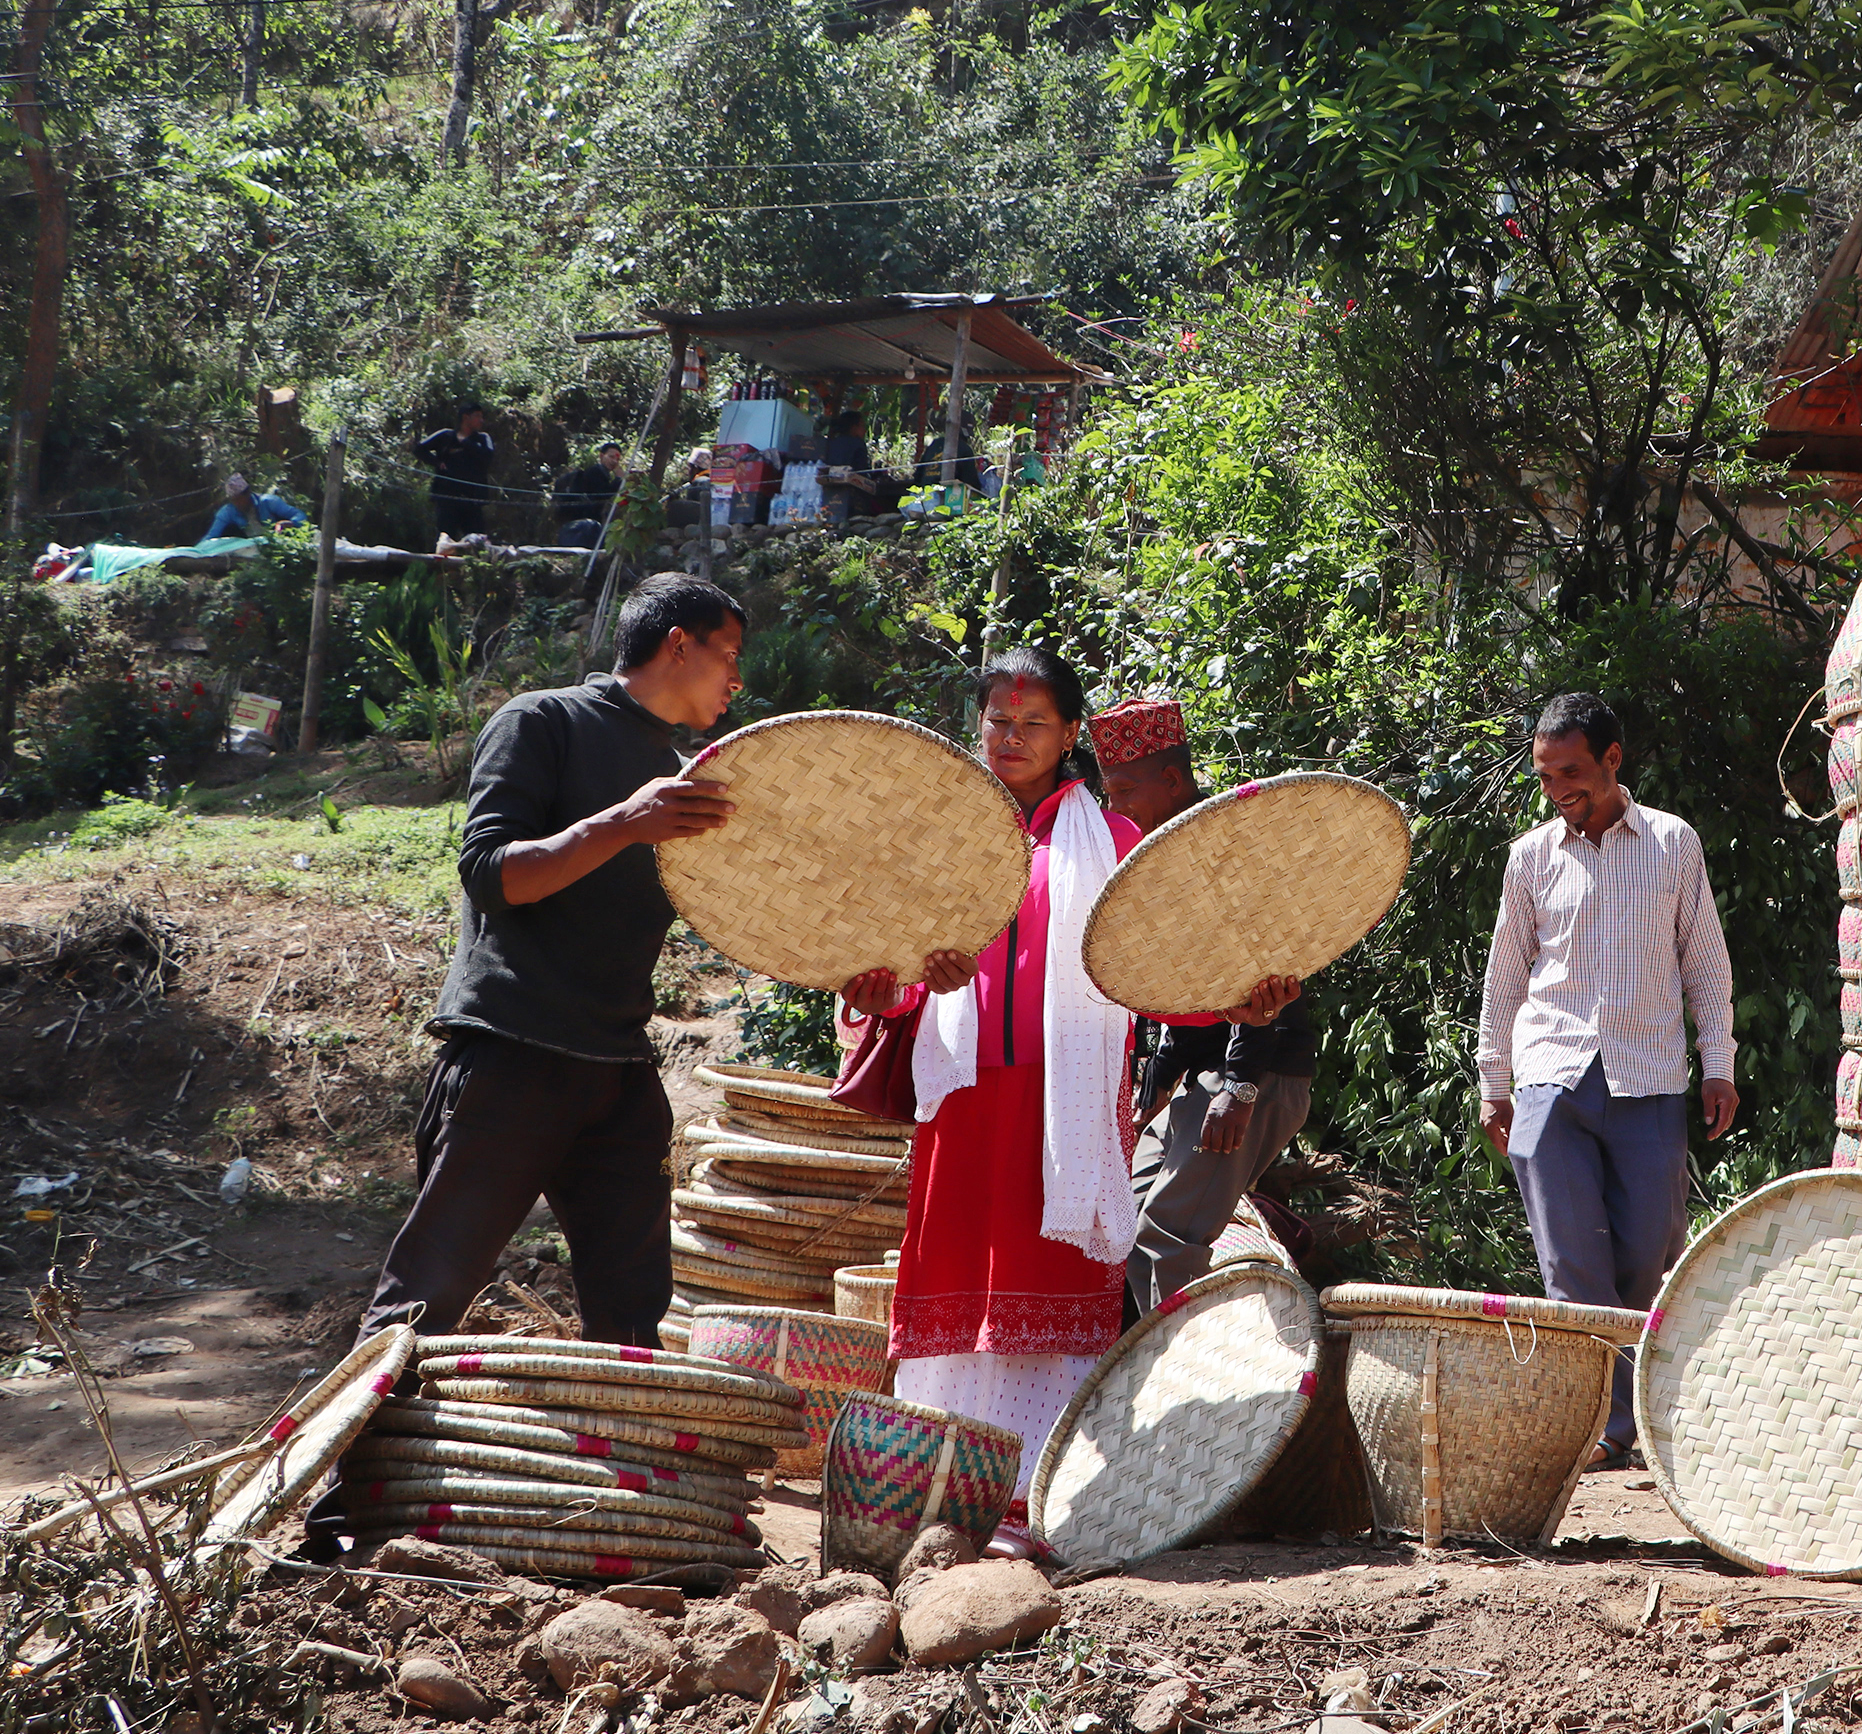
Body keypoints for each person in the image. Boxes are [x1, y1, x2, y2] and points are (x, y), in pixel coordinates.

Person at [309, 573, 745, 1554]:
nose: (736, 680)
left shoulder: (691, 776)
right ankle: (340, 1513)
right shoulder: (541, 721)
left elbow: (748, 909)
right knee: (427, 1291)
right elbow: (496, 874)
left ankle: (624, 1522)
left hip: (620, 1069)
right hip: (511, 1055)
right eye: (729, 655)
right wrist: (620, 823)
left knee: (634, 1312)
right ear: (679, 644)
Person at [839, 650, 1296, 1522]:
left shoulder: (1118, 845)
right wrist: (887, 991)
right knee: (963, 1282)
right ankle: (944, 1493)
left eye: (1033, 723)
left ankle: (1039, 1499)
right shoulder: (938, 836)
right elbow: (886, 969)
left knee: (1047, 1286)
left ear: (1072, 735)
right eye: (997, 722)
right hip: (966, 1104)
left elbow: (1168, 981)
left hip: (1069, 1111)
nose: (1011, 738)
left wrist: (1244, 1003)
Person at [1477, 690, 1738, 1469]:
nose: (1558, 787)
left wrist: (1718, 1063)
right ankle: (1596, 1424)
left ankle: (1647, 1416)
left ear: (1613, 760)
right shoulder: (1530, 858)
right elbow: (1504, 978)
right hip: (1550, 1076)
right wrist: (1495, 1079)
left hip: (1649, 1077)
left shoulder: (1671, 843)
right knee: (1570, 1263)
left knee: (1646, 1257)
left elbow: (1705, 962)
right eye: (1546, 772)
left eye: (1573, 770)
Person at [1095, 697, 1317, 1318]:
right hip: (1204, 1076)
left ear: (1171, 780)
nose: (1116, 808)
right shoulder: (1161, 861)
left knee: (1165, 1242)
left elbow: (1262, 990)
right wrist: (1159, 1077)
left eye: (1124, 790)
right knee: (1122, 1224)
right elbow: (1180, 996)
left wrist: (1240, 1088)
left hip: (1254, 1077)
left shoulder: (1233, 857)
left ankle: (1181, 1392)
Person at [415, 405, 500, 545]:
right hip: (447, 497)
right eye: (477, 416)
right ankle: (442, 566)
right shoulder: (446, 436)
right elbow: (419, 449)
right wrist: (436, 462)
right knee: (445, 537)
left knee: (478, 540)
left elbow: (488, 457)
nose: (481, 420)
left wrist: (465, 443)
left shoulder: (483, 438)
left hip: (473, 499)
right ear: (466, 417)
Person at [555, 441, 626, 550]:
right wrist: (618, 480)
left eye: (617, 459)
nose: (614, 461)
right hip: (582, 515)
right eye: (611, 457)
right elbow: (602, 494)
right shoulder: (595, 472)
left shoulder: (604, 474)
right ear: (602, 456)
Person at [199, 473, 304, 544]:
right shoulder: (227, 512)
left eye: (240, 499)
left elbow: (300, 516)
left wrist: (290, 523)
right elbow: (211, 536)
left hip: (278, 542)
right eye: (234, 500)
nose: (237, 504)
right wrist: (195, 551)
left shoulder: (269, 501)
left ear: (248, 494)